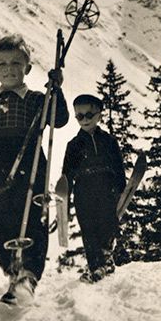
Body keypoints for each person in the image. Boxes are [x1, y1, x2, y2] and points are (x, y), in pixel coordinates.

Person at [0, 34, 69, 303]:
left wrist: (56, 90)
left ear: (27, 68)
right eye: (1, 63)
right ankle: (13, 272)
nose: (8, 69)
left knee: (30, 217)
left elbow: (59, 119)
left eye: (16, 63)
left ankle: (28, 274)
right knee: (0, 217)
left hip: (29, 161)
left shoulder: (37, 99)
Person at [62, 94, 126, 283]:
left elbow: (118, 167)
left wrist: (122, 189)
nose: (85, 120)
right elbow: (67, 174)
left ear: (99, 116)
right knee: (88, 228)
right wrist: (64, 198)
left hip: (106, 188)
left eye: (89, 115)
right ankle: (95, 266)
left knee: (107, 224)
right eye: (79, 116)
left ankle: (106, 259)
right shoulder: (73, 145)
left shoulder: (109, 141)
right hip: (84, 191)